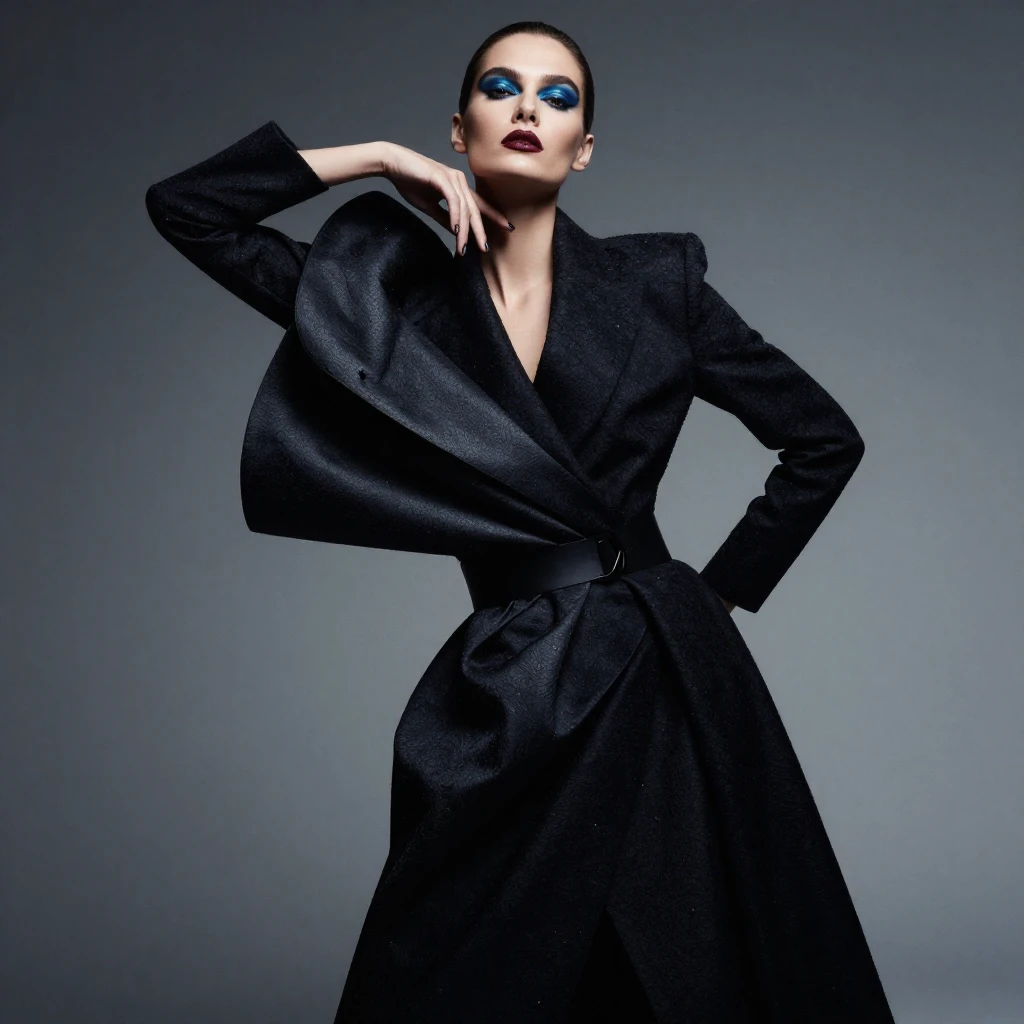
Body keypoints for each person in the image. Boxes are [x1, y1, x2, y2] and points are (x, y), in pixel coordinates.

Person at [145, 19, 896, 1024]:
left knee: (681, 956)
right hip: (508, 677)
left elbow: (821, 439)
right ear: (459, 130)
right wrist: (374, 157)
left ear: (583, 148)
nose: (528, 108)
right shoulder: (386, 306)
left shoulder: (657, 285)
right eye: (501, 88)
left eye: (558, 96)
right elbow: (189, 211)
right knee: (462, 960)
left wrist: (713, 596)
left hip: (656, 661)